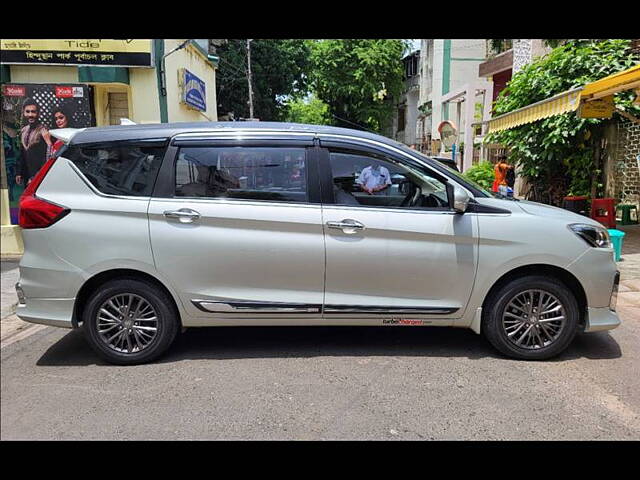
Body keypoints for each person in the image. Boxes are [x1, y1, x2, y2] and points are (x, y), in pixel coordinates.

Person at [15, 98, 52, 185]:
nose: (30, 114)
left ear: (38, 113)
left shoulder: (44, 131)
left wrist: (35, 177)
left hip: (39, 177)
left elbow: (45, 158)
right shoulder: (23, 131)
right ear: (23, 113)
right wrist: (19, 172)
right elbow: (22, 154)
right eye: (27, 111)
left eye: (33, 112)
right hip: (26, 177)